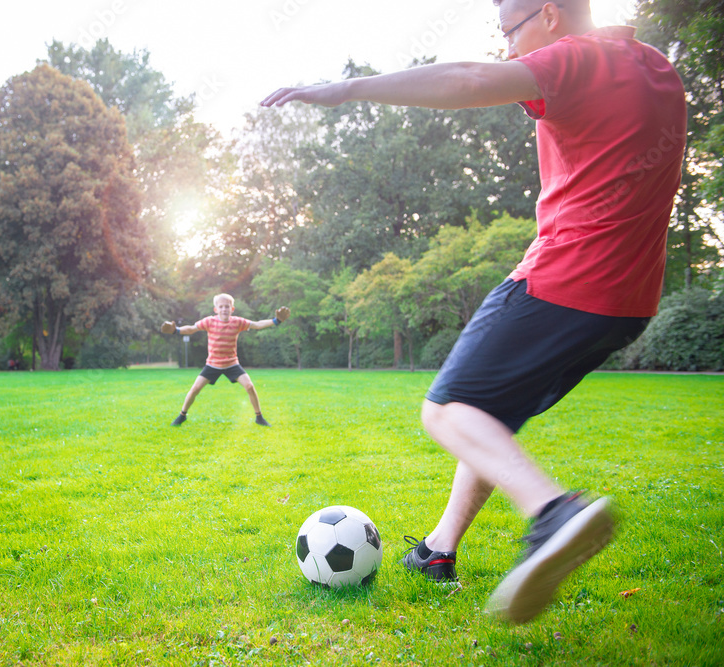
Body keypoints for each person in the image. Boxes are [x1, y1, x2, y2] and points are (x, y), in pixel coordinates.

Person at [261, 0, 686, 624]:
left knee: (447, 410)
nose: (511, 51)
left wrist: (347, 89)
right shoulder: (654, 67)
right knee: (489, 417)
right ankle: (438, 551)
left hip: (566, 278)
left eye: (508, 32)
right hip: (629, 300)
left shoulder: (577, 58)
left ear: (548, 14)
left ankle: (555, 513)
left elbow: (468, 81)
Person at [162, 294, 290, 427]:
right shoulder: (209, 321)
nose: (224, 309)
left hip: (232, 363)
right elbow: (191, 329)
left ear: (232, 309)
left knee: (249, 386)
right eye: (221, 306)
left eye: (227, 306)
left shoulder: (238, 322)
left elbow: (257, 325)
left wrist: (276, 321)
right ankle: (182, 415)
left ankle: (259, 417)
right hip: (213, 364)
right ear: (215, 309)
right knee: (195, 389)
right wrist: (175, 330)